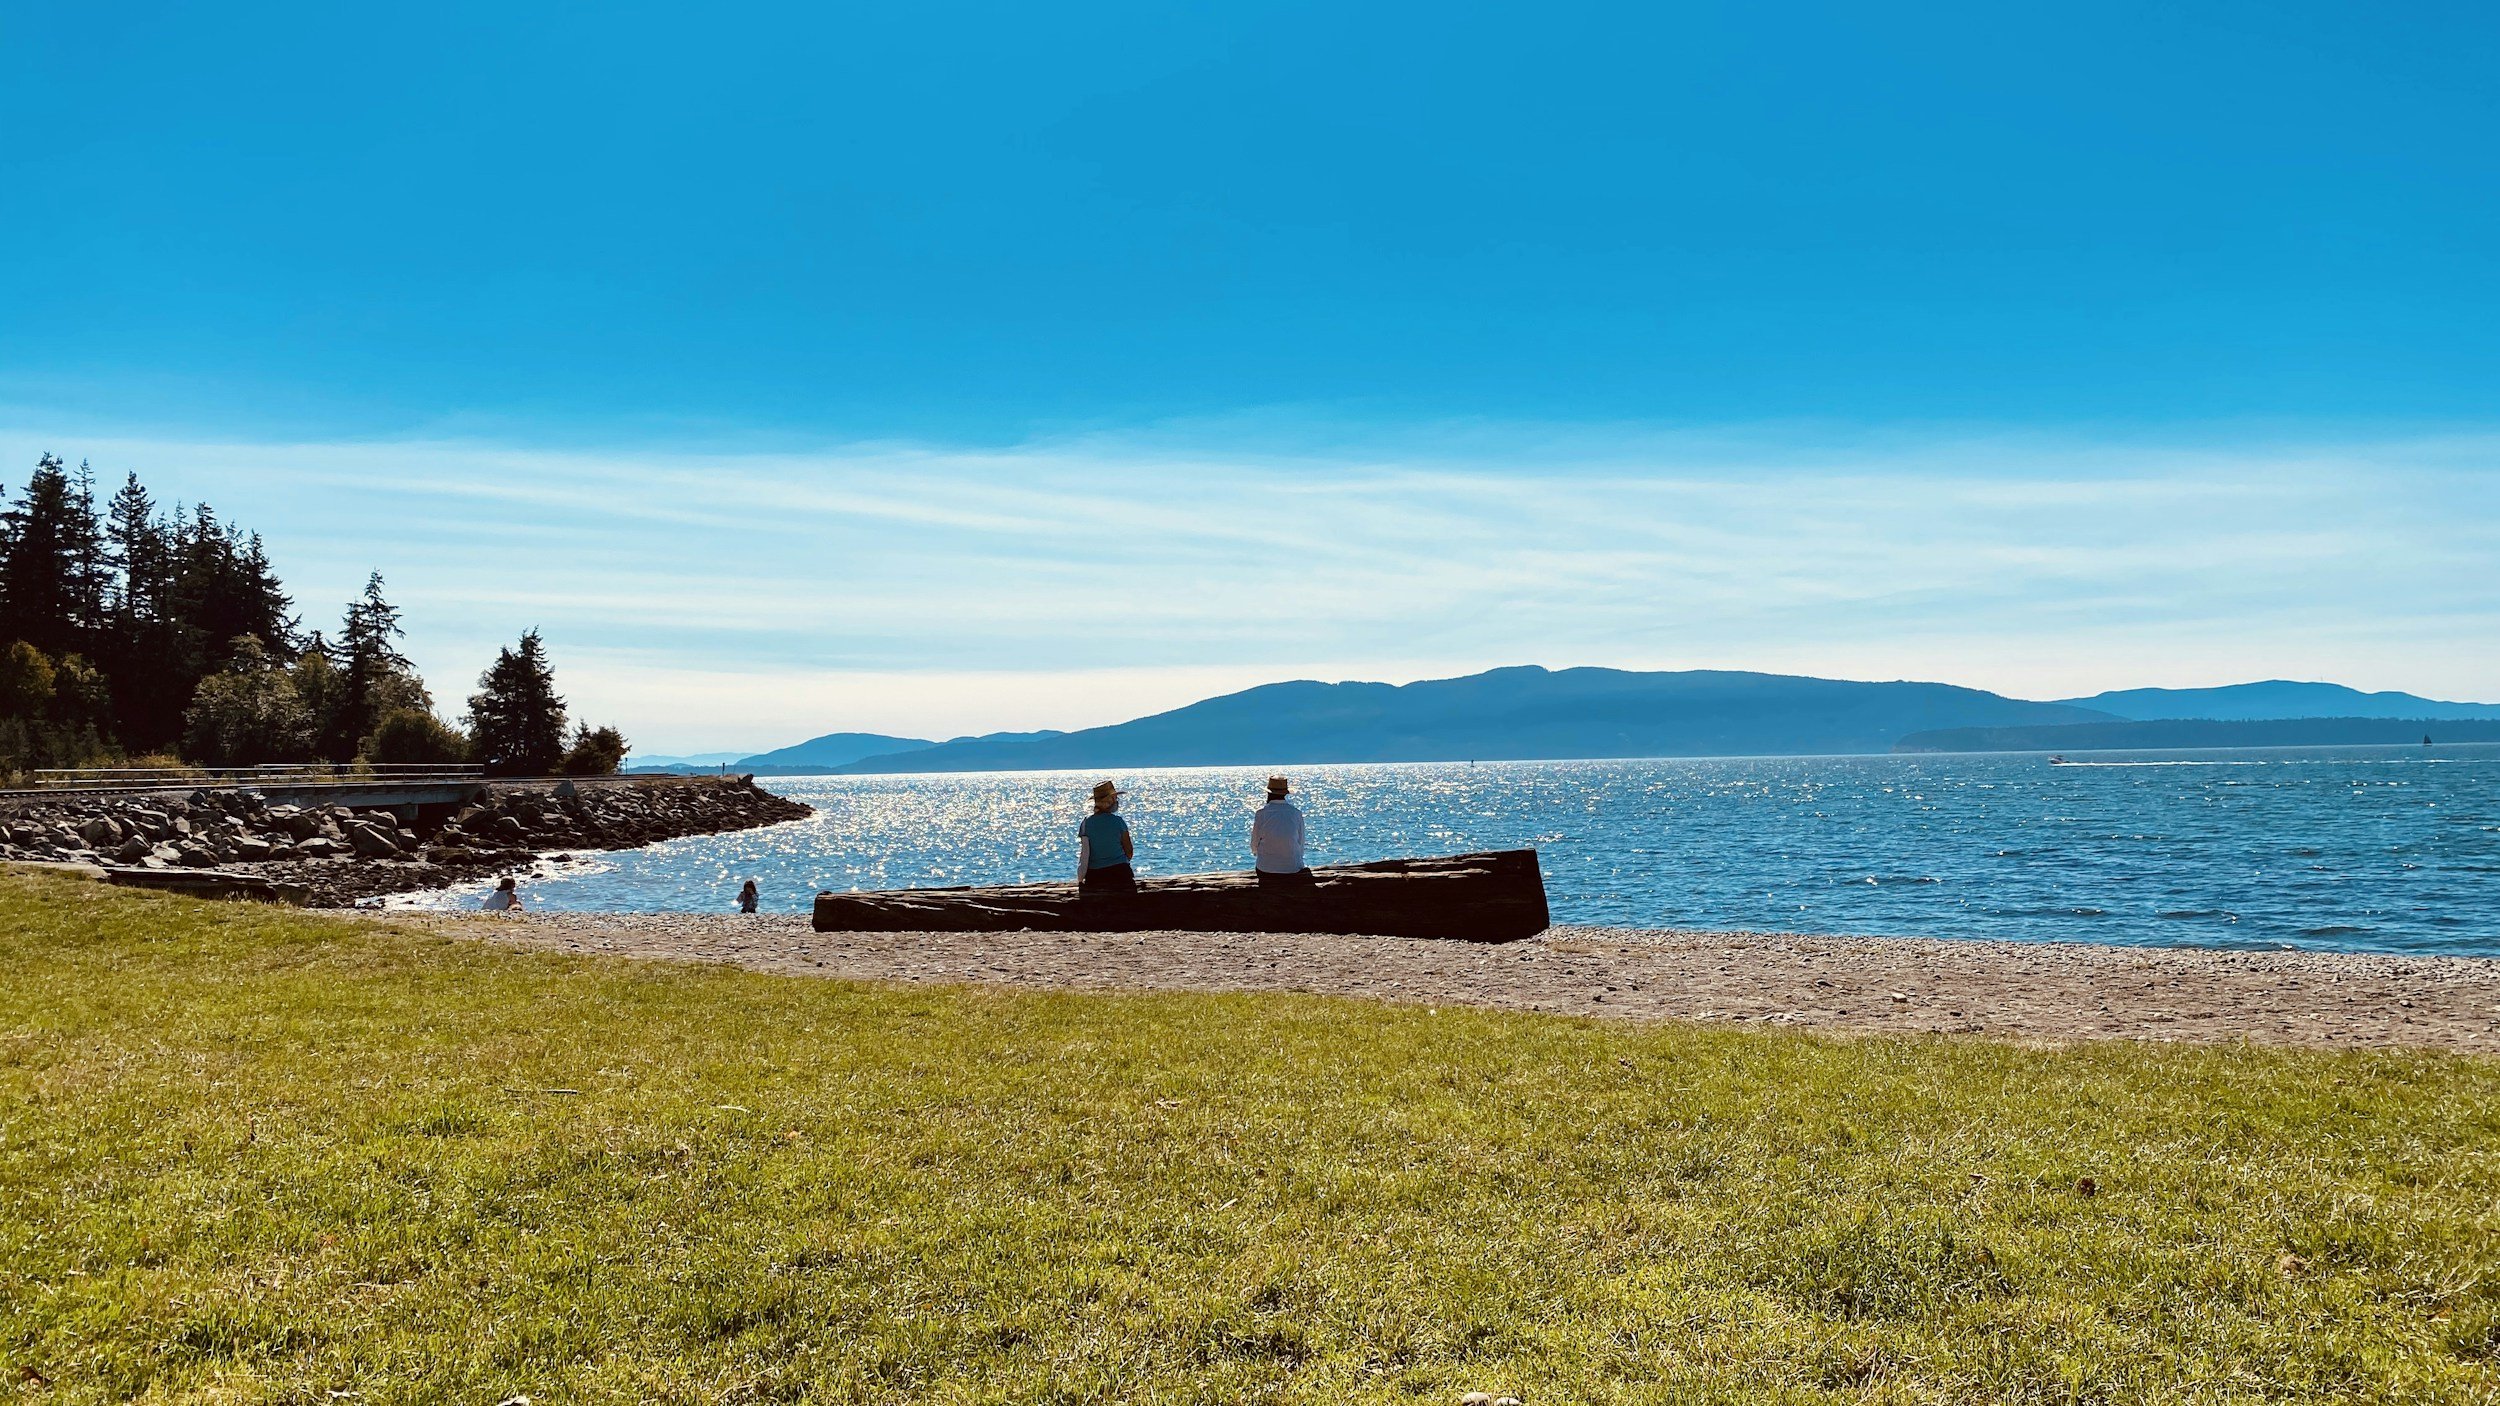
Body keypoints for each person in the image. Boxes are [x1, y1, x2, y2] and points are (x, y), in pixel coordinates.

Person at [1250, 775, 1313, 886]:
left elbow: (1254, 844)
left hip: (1266, 869)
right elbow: (1301, 842)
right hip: (1292, 868)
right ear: (1285, 794)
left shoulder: (1261, 814)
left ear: (1269, 794)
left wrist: (1259, 854)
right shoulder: (1296, 813)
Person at [1077, 780, 1136, 894]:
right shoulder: (1118, 822)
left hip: (1095, 875)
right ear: (1111, 801)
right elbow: (1129, 852)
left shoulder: (1086, 823)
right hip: (1120, 872)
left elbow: (1085, 853)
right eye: (1115, 798)